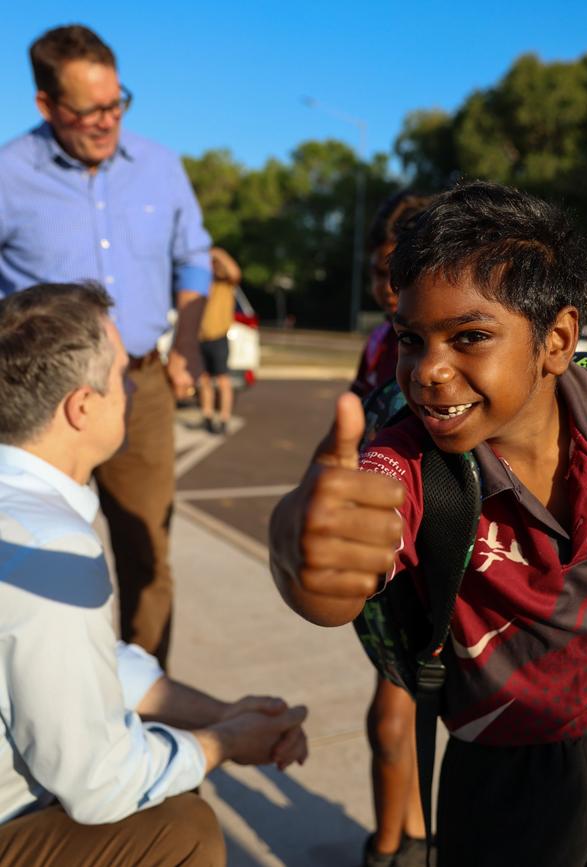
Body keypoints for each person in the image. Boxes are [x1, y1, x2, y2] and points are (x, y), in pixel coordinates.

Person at [269, 181, 587, 866]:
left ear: (558, 339)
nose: (429, 371)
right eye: (411, 340)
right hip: (502, 770)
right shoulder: (404, 459)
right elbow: (334, 582)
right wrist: (296, 548)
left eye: (469, 336)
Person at [0, 282, 308, 867]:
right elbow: (96, 782)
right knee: (179, 825)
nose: (136, 384)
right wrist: (224, 744)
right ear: (82, 406)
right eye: (120, 373)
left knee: (171, 773)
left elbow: (90, 661)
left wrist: (220, 715)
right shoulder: (49, 543)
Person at [0, 24, 213, 667]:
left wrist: (192, 343)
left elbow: (194, 257)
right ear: (46, 106)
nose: (106, 121)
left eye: (116, 103)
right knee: (30, 548)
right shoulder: (8, 174)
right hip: (33, 397)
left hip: (138, 388)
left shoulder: (160, 166)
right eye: (89, 110)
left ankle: (146, 720)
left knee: (147, 552)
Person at [351, 192, 435, 867]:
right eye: (381, 272)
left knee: (394, 715)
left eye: (398, 270)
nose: (386, 288)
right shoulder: (380, 341)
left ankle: (389, 848)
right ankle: (406, 835)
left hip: (434, 548)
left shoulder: (429, 346)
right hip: (382, 543)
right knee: (398, 716)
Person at [199, 247, 240, 435]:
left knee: (223, 380)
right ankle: (207, 416)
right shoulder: (201, 285)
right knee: (204, 380)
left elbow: (234, 272)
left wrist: (217, 253)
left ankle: (224, 417)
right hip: (200, 337)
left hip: (218, 337)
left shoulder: (226, 284)